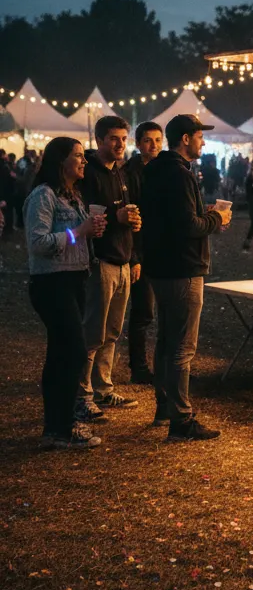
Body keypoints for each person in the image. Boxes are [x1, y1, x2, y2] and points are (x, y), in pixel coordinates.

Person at [141, 114, 231, 440]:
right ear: (185, 139)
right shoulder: (178, 175)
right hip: (183, 268)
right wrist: (215, 218)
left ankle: (164, 404)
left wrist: (205, 216)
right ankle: (181, 418)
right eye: (199, 136)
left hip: (160, 268)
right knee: (182, 347)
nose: (203, 142)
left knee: (166, 340)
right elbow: (188, 226)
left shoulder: (153, 169)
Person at [23, 137, 107, 449]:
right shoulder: (43, 196)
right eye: (77, 156)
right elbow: (37, 243)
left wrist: (90, 233)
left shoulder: (72, 196)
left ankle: (56, 428)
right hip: (52, 283)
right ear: (61, 162)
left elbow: (74, 238)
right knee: (71, 352)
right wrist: (78, 233)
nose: (84, 160)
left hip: (74, 280)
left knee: (62, 353)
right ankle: (62, 426)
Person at [76, 115, 142, 420]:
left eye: (124, 139)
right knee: (93, 332)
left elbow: (128, 216)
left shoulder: (121, 172)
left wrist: (135, 256)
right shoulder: (87, 174)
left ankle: (103, 388)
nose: (120, 144)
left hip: (123, 260)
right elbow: (90, 216)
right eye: (114, 138)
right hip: (100, 260)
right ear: (99, 139)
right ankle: (81, 395)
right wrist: (117, 218)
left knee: (113, 331)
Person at [124, 120, 163, 383]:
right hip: (140, 250)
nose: (154, 145)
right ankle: (138, 368)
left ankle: (162, 367)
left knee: (162, 312)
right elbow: (131, 218)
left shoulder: (163, 169)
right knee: (143, 312)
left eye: (159, 140)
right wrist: (134, 257)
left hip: (161, 249)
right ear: (138, 144)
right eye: (149, 140)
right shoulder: (130, 172)